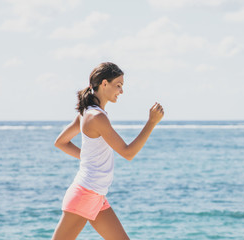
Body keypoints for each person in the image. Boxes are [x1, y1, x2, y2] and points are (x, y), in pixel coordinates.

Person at [51, 62, 164, 240]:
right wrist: (151, 123)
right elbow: (128, 153)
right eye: (118, 85)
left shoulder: (87, 112)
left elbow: (61, 142)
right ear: (104, 84)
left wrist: (87, 158)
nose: (121, 91)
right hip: (86, 193)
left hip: (96, 195)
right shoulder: (96, 117)